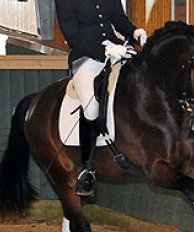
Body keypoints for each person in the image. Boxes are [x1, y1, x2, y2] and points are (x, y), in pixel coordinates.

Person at [55, 0, 147, 196]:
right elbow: (73, 37)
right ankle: (87, 169)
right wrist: (104, 50)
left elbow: (119, 20)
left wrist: (134, 32)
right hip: (86, 58)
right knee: (90, 108)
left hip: (118, 51)